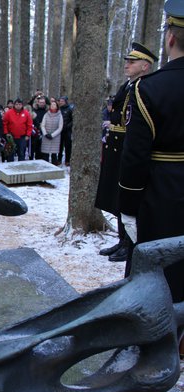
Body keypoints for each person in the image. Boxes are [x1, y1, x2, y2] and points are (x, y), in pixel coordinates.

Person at [119, 0, 184, 309]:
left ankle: (156, 336)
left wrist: (128, 208)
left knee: (157, 270)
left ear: (170, 36)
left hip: (161, 195)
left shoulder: (148, 88)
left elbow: (134, 158)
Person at [96, 42, 157, 263]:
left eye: (132, 62)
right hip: (116, 147)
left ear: (145, 66)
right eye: (127, 61)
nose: (127, 65)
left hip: (127, 147)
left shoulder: (144, 88)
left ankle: (129, 244)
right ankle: (122, 240)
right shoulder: (128, 86)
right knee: (116, 197)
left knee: (128, 197)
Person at [58, 96, 73, 166]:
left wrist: (68, 126)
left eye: (62, 101)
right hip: (60, 131)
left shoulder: (70, 109)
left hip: (67, 131)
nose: (61, 102)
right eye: (60, 101)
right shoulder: (58, 109)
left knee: (68, 146)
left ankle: (67, 160)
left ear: (65, 101)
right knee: (59, 146)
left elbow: (72, 120)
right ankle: (59, 159)